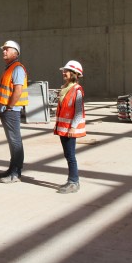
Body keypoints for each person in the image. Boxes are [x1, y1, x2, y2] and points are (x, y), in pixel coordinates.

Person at [0, 40, 28, 183]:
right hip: (7, 109)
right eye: (4, 49)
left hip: (11, 110)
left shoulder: (17, 69)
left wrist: (9, 106)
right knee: (12, 140)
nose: (4, 51)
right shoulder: (9, 68)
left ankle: (16, 173)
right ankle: (12, 168)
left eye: (7, 49)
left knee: (15, 141)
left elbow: (18, 90)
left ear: (15, 53)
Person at [53, 60, 86, 194]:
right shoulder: (65, 88)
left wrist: (73, 128)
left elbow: (79, 111)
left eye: (66, 71)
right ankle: (72, 180)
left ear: (74, 74)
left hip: (69, 129)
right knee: (68, 155)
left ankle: (74, 182)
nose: (63, 72)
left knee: (71, 156)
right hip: (63, 128)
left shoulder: (77, 90)